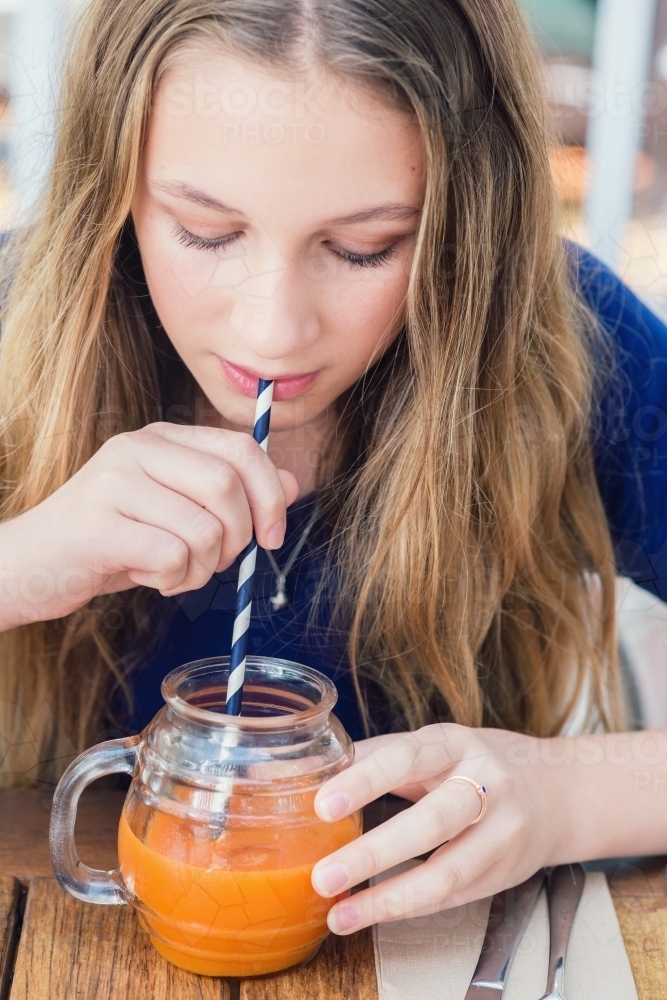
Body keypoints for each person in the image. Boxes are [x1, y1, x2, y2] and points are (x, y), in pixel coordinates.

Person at [1, 0, 666, 935]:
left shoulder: (557, 343)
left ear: (465, 220)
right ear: (111, 182)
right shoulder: (13, 332)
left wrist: (573, 796)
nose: (273, 330)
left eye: (364, 247)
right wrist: (15, 566)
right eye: (204, 230)